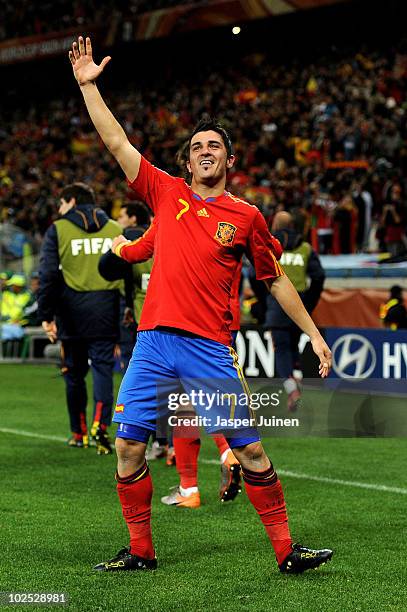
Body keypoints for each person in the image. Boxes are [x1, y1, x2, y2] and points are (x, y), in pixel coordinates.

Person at [69, 36, 333, 574]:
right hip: (152, 344)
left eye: (214, 145)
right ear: (186, 161)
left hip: (209, 350)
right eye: (197, 146)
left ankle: (287, 552)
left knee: (251, 451)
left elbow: (276, 280)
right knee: (128, 449)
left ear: (229, 159)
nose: (205, 151)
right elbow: (117, 142)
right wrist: (88, 87)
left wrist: (315, 333)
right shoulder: (166, 194)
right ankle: (141, 552)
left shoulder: (247, 218)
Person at [38, 182, 123, 454]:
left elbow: (48, 274)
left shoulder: (59, 229)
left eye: (62, 204)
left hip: (71, 310)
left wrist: (46, 315)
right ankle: (102, 425)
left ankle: (79, 432)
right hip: (106, 309)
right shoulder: (114, 229)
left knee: (73, 374)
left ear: (72, 201)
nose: (60, 210)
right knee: (102, 370)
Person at [265, 210, 325, 411]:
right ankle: (297, 382)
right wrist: (308, 302)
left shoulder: (270, 245)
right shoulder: (306, 248)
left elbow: (254, 272)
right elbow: (319, 277)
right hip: (299, 308)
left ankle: (291, 389)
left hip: (277, 308)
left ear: (275, 225)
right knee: (293, 348)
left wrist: (267, 298)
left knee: (281, 350)